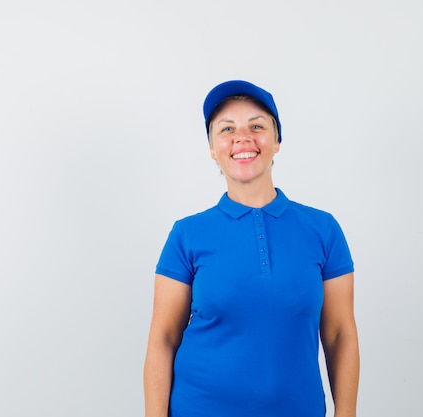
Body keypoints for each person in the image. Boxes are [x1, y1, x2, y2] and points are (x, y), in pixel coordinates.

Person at [143, 80, 359, 417]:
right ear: (213, 148)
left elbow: (339, 333)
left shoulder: (323, 230)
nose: (242, 137)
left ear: (277, 141)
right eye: (226, 129)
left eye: (256, 126)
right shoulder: (187, 234)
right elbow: (163, 339)